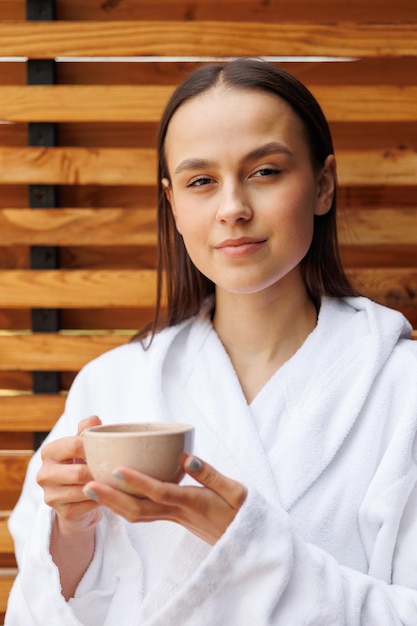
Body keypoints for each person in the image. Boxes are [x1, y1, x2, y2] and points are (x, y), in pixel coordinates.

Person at [5, 58, 417, 625]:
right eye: (201, 181)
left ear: (322, 186)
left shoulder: (403, 389)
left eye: (265, 171)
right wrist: (72, 530)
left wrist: (248, 550)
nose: (233, 209)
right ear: (172, 204)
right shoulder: (112, 384)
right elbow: (44, 609)